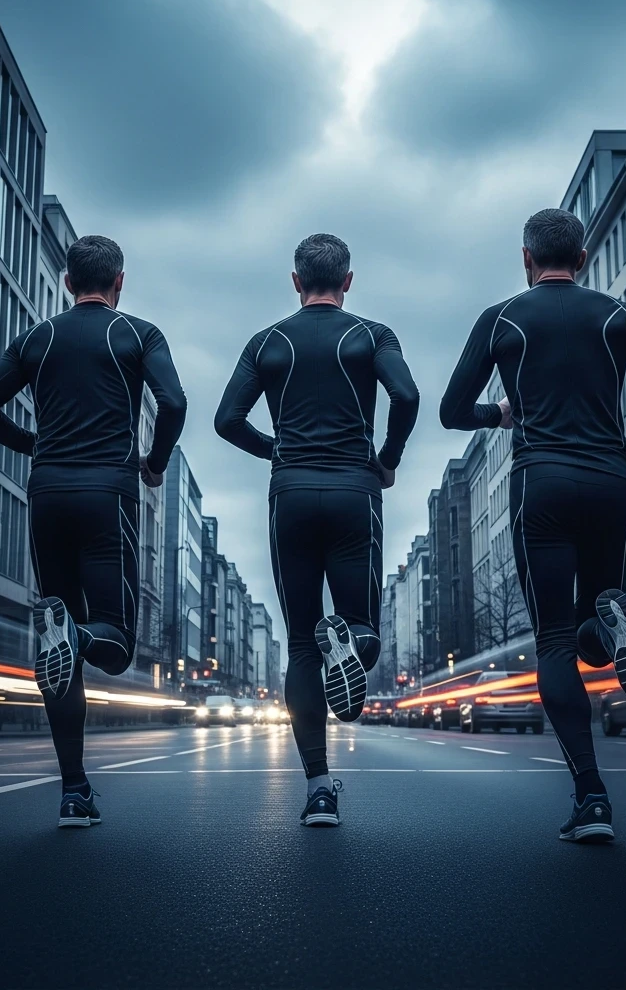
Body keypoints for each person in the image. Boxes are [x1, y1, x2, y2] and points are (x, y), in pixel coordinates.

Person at [440, 208, 626, 843]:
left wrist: (502, 414)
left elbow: (450, 410)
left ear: (526, 259)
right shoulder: (618, 314)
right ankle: (613, 621)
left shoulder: (502, 318)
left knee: (554, 642)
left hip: (541, 484)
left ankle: (591, 797)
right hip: (610, 480)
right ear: (581, 259)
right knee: (595, 624)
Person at [0, 235, 187, 827]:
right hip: (108, 494)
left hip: (48, 495)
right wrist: (155, 463)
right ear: (120, 282)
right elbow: (173, 402)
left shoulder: (37, 338)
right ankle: (79, 637)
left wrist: (34, 444)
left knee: (54, 635)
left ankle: (73, 791)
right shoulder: (138, 334)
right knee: (114, 642)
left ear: (67, 283)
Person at [215, 233, 419, 826]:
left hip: (292, 495)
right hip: (356, 491)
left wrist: (277, 449)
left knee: (302, 643)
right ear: (348, 280)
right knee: (362, 623)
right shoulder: (373, 335)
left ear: (295, 281)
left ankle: (320, 791)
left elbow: (227, 420)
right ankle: (351, 642)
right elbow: (406, 395)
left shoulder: (267, 342)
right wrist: (387, 459)